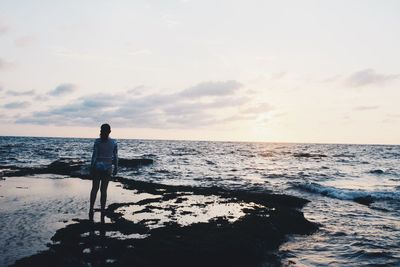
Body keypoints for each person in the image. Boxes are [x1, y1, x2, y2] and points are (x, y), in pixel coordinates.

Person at [89, 123, 118, 220]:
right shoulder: (114, 142)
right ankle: (102, 210)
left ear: (100, 131)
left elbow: (94, 156)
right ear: (110, 131)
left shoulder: (97, 142)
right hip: (108, 168)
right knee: (103, 190)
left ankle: (91, 208)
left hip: (97, 167)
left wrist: (91, 167)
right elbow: (116, 157)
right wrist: (116, 168)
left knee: (95, 188)